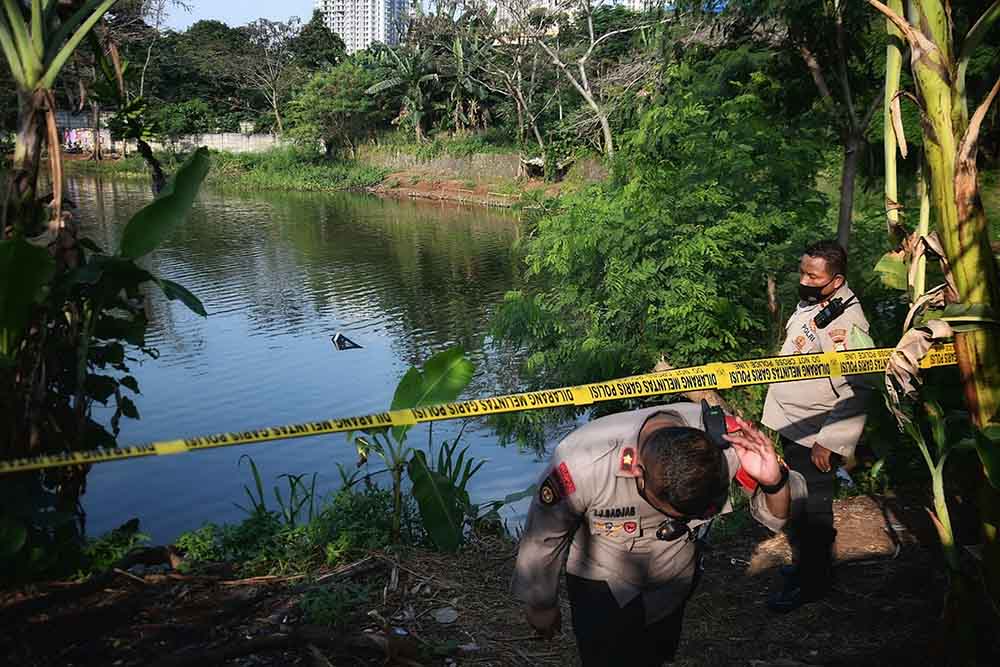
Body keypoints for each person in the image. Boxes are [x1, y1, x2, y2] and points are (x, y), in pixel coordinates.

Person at [511, 401, 805, 666]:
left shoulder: (726, 444)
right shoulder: (583, 463)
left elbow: (781, 517)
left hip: (673, 575)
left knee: (658, 652)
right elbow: (545, 534)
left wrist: (774, 482)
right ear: (638, 471)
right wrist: (540, 602)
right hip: (602, 577)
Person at [762, 239, 871, 612]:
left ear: (836, 280)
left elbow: (858, 388)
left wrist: (831, 442)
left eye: (814, 275)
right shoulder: (817, 305)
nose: (804, 279)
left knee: (815, 513)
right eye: (803, 270)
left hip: (816, 435)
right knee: (800, 508)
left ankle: (814, 583)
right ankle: (807, 567)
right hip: (793, 424)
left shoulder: (847, 324)